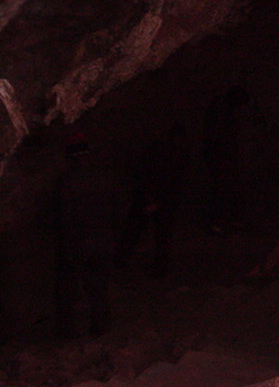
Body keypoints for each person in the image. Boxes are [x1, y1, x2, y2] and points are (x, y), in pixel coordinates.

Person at [53, 133, 119, 337]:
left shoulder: (67, 181)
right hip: (103, 238)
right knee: (99, 287)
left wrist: (66, 245)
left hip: (80, 241)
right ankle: (100, 327)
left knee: (72, 288)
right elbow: (116, 208)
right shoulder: (105, 176)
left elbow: (64, 217)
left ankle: (70, 331)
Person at [115, 122, 189, 278]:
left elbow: (174, 183)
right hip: (151, 198)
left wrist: (156, 201)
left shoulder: (173, 156)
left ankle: (153, 266)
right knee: (141, 232)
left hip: (156, 199)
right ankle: (125, 261)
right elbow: (146, 175)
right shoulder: (162, 153)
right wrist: (150, 199)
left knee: (152, 234)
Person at [202, 85, 249, 235]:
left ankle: (226, 220)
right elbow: (216, 136)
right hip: (220, 156)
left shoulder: (225, 112)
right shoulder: (221, 112)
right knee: (221, 188)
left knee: (227, 187)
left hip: (224, 155)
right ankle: (217, 223)